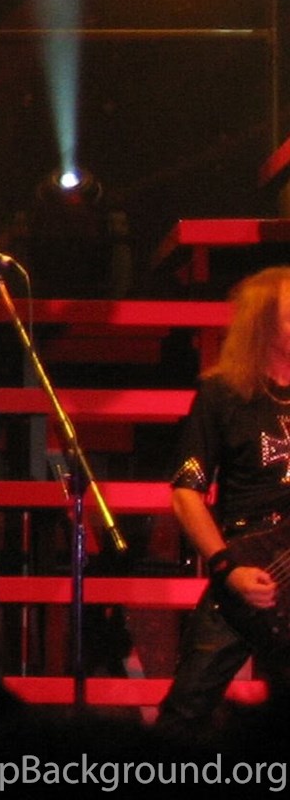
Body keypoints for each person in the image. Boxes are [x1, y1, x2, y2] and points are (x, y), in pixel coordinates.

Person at [158, 264, 290, 739]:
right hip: (245, 566)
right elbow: (186, 490)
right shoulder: (221, 394)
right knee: (185, 714)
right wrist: (226, 569)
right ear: (263, 325)